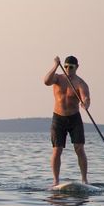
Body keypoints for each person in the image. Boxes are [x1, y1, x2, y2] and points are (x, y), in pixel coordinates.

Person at [43, 55, 90, 185]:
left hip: (74, 118)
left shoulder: (80, 83)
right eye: (66, 67)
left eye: (71, 67)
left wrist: (85, 103)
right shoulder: (58, 78)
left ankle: (84, 179)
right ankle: (56, 180)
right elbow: (46, 81)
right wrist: (55, 66)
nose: (68, 69)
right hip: (58, 118)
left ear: (77, 68)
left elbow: (86, 97)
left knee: (79, 149)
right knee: (57, 150)